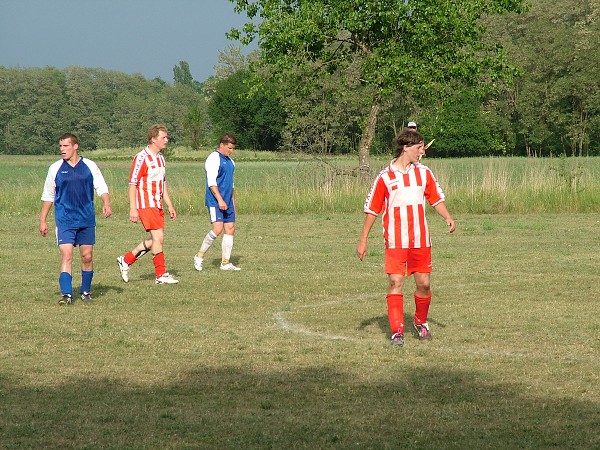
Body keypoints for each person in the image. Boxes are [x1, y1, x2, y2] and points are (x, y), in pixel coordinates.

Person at [356, 128, 455, 346]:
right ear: (406, 148)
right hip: (396, 241)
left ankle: (420, 322)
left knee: (424, 284)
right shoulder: (385, 177)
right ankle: (397, 331)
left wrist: (447, 216)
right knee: (396, 281)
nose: (423, 152)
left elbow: (435, 198)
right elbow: (372, 210)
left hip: (421, 240)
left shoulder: (424, 173)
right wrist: (363, 240)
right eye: (420, 148)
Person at [39, 133, 112, 304]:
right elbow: (48, 195)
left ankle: (85, 291)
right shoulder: (55, 168)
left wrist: (106, 202)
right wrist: (43, 220)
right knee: (66, 255)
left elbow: (101, 186)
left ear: (75, 146)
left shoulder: (89, 166)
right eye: (60, 146)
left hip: (86, 219)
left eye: (66, 146)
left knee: (87, 257)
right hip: (65, 219)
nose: (62, 150)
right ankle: (67, 294)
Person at [116, 124, 179, 284]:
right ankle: (160, 275)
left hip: (157, 205)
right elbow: (132, 184)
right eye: (163, 137)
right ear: (153, 139)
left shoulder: (161, 158)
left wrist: (169, 204)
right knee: (158, 237)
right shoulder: (141, 158)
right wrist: (133, 208)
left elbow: (162, 183)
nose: (166, 140)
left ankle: (126, 259)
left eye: (166, 137)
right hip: (145, 204)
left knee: (157, 240)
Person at [194, 133, 241, 271]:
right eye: (229, 148)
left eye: (233, 148)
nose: (231, 151)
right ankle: (199, 256)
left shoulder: (231, 162)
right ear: (222, 145)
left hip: (227, 201)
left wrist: (232, 202)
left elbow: (231, 184)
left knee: (230, 229)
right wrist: (220, 200)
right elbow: (212, 183)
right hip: (215, 201)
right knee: (217, 229)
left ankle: (225, 263)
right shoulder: (213, 159)